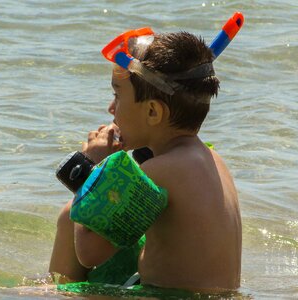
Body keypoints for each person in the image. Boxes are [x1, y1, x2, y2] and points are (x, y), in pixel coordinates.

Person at [49, 29, 241, 292]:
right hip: (215, 295)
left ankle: (53, 292)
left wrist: (91, 169)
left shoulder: (160, 171)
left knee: (69, 216)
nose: (111, 108)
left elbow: (89, 252)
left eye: (117, 95)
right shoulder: (210, 158)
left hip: (172, 298)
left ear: (152, 111)